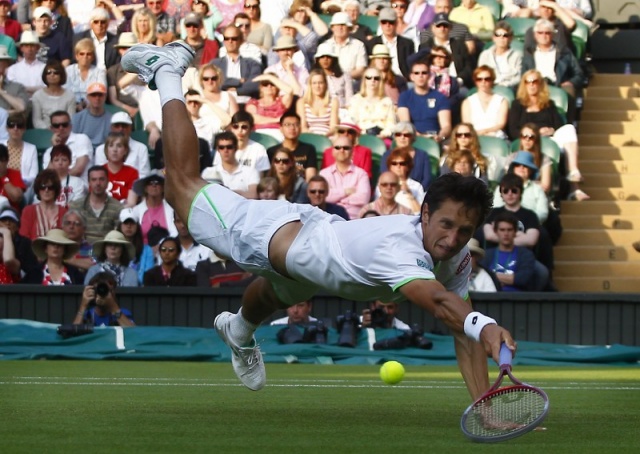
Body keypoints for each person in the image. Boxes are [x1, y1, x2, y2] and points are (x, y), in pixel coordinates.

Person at [121, 40, 516, 395]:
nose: (453, 238)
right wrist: (485, 325)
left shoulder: (457, 258)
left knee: (278, 290)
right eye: (446, 225)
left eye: (464, 231)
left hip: (313, 253)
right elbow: (440, 303)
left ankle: (239, 330)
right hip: (272, 236)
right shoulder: (403, 249)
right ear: (425, 212)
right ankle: (168, 69)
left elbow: (461, 334)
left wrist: (485, 404)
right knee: (180, 185)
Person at [507, 69, 587, 200]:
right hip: (527, 140)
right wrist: (536, 132)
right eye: (528, 82)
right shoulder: (517, 105)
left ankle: (574, 173)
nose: (531, 85)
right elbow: (513, 130)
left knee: (569, 129)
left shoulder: (549, 104)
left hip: (550, 140)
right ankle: (574, 189)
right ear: (524, 85)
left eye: (535, 81)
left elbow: (558, 126)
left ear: (540, 84)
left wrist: (551, 130)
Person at [521, 18, 584, 124]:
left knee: (569, 90)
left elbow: (579, 74)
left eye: (547, 33)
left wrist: (571, 82)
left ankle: (569, 125)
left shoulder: (564, 52)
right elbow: (523, 75)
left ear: (553, 35)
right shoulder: (529, 53)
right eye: (540, 33)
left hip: (558, 85)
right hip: (535, 85)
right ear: (535, 35)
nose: (544, 36)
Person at [397, 60, 451, 144]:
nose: (420, 76)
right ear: (411, 77)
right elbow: (406, 124)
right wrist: (420, 136)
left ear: (429, 75)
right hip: (412, 139)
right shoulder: (405, 97)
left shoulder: (440, 97)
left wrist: (440, 136)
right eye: (417, 73)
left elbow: (446, 126)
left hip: (435, 139)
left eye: (424, 73)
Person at [481, 212, 537, 292]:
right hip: (490, 299)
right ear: (496, 232)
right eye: (502, 230)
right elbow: (480, 277)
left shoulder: (526, 254)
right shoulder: (486, 254)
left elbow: (522, 279)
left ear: (515, 232)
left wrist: (493, 278)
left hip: (517, 299)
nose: (506, 234)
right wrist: (509, 279)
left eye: (509, 230)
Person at [319, 134, 371, 220]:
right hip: (330, 219)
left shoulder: (361, 174)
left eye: (346, 148)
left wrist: (337, 199)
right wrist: (345, 192)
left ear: (352, 151)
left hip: (354, 219)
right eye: (337, 147)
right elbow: (323, 197)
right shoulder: (324, 174)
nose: (341, 150)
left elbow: (363, 198)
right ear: (332, 151)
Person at [69, 166, 123, 244]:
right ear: (89, 182)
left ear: (108, 181)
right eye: (94, 180)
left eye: (101, 179)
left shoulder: (117, 207)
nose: (98, 183)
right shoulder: (76, 206)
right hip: (81, 251)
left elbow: (118, 236)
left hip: (107, 251)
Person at [201, 131, 259, 198]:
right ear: (217, 149)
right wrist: (240, 193)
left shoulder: (251, 172)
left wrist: (225, 193)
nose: (225, 150)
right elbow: (206, 198)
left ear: (236, 148)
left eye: (229, 147)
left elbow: (253, 196)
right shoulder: (208, 172)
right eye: (221, 147)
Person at [94, 112, 152, 179]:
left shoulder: (141, 148)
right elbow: (99, 175)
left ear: (130, 128)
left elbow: (144, 176)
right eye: (117, 126)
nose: (120, 129)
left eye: (124, 126)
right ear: (111, 128)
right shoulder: (101, 149)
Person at [210, 25, 262, 101]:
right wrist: (238, 81)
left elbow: (255, 85)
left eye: (234, 39)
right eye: (226, 39)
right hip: (221, 103)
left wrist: (236, 90)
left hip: (246, 103)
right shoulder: (215, 64)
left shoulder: (252, 63)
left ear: (241, 40)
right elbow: (212, 83)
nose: (230, 41)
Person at [379, 121, 432, 191]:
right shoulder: (387, 155)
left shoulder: (422, 155)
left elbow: (427, 179)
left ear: (413, 137)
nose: (402, 137)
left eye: (406, 135)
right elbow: (385, 176)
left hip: (417, 193)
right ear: (395, 137)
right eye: (398, 134)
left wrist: (416, 191)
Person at [365, 7, 415, 80]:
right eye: (384, 22)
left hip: (403, 80)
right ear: (380, 24)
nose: (387, 25)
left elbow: (411, 66)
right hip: (379, 80)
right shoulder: (371, 44)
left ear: (396, 23)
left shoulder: (407, 44)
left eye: (391, 22)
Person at [266, 112, 318, 182]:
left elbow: (310, 178)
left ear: (300, 128)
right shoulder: (272, 151)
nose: (292, 128)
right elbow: (269, 178)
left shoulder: (309, 149)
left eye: (296, 124)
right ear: (281, 128)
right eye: (287, 125)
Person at [461, 66, 509, 139]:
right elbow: (467, 125)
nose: (483, 82)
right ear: (475, 81)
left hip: (496, 136)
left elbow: (501, 124)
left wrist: (485, 131)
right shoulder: (467, 102)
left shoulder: (502, 101)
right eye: (479, 79)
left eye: (487, 79)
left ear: (492, 80)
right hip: (474, 137)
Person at [42, 111, 93, 180]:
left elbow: (78, 170)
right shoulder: (49, 152)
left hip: (80, 186)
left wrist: (59, 180)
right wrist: (56, 148)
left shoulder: (81, 139)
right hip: (58, 188)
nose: (61, 128)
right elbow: (48, 175)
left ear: (70, 126)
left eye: (64, 124)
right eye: (57, 126)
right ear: (52, 128)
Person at [347, 67, 396, 139]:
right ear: (364, 80)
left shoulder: (387, 101)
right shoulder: (355, 100)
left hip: (383, 137)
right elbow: (353, 122)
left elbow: (391, 124)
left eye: (376, 78)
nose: (372, 80)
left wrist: (383, 135)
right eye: (368, 78)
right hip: (361, 137)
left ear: (380, 81)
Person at [130, 170, 178, 243]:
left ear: (163, 188)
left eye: (157, 182)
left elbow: (175, 233)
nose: (154, 185)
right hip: (142, 251)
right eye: (150, 183)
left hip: (166, 249)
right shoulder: (136, 210)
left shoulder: (172, 209)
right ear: (145, 188)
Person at [246, 72, 295, 141]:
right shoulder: (253, 102)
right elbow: (253, 118)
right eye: (265, 84)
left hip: (278, 133)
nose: (269, 86)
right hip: (259, 133)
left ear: (277, 87)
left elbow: (290, 90)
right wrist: (276, 120)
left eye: (272, 84)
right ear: (261, 88)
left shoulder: (281, 101)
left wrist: (269, 77)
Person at [476, 21, 522, 90]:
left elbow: (518, 77)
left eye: (505, 35)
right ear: (493, 38)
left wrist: (504, 85)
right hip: (488, 87)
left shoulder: (517, 56)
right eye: (498, 35)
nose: (501, 38)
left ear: (510, 38)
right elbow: (480, 75)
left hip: (509, 88)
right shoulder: (485, 55)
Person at [323, 12, 367, 81]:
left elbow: (361, 70)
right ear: (332, 28)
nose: (340, 28)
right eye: (337, 25)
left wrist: (343, 77)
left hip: (352, 85)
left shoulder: (359, 45)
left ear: (349, 28)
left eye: (343, 25)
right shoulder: (325, 46)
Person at [31, 61, 75, 129]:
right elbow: (37, 120)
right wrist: (49, 129)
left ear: (61, 75)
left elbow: (71, 119)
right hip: (44, 133)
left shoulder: (70, 95)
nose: (52, 75)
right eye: (48, 72)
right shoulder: (37, 96)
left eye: (56, 72)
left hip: (64, 130)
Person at [297, 68, 339, 137]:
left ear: (325, 84)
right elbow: (303, 127)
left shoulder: (333, 101)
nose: (317, 86)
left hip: (327, 136)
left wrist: (323, 137)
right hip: (308, 135)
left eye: (320, 83)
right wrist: (314, 137)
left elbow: (333, 127)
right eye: (314, 83)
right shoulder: (302, 102)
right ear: (310, 85)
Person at [5, 31, 46, 100]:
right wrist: (36, 89)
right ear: (21, 48)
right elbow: (13, 89)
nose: (29, 49)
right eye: (26, 46)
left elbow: (46, 88)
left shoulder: (45, 68)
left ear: (37, 48)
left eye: (32, 46)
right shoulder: (13, 69)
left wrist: (23, 89)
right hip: (20, 102)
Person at [382, 148, 424, 214]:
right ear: (390, 167)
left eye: (402, 163)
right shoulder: (383, 184)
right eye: (394, 163)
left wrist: (409, 194)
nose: (398, 166)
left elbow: (419, 213)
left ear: (408, 166)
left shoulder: (416, 186)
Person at [102, 132, 139, 206]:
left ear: (125, 150)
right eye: (111, 146)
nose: (115, 150)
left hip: (124, 212)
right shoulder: (99, 171)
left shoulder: (132, 173)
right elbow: (94, 202)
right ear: (106, 150)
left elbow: (131, 203)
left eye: (119, 146)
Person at [312, 42, 353, 110]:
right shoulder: (313, 77)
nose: (325, 59)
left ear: (333, 59)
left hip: (343, 110)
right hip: (323, 111)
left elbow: (349, 98)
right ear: (318, 59)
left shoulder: (344, 76)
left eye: (328, 57)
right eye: (322, 57)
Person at [71, 82, 112, 148]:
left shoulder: (111, 119)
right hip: (83, 150)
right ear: (88, 97)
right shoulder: (77, 118)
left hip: (104, 151)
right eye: (93, 95)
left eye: (100, 95)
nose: (97, 98)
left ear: (105, 97)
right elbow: (73, 140)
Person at [4, 113, 38, 188]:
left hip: (22, 187)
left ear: (24, 129)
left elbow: (33, 176)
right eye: (11, 125)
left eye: (19, 126)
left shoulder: (32, 149)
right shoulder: (1, 145)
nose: (15, 129)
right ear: (7, 128)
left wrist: (17, 182)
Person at [61, 209, 94, 274]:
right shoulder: (58, 245)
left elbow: (93, 265)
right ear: (63, 227)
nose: (71, 227)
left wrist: (64, 259)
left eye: (76, 224)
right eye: (68, 223)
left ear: (84, 229)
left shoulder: (89, 249)